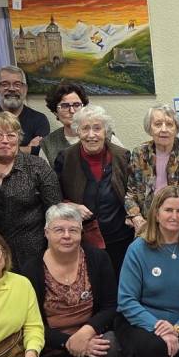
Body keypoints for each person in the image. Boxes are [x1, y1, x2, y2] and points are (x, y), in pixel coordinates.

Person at [116, 186, 179, 357]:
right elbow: (126, 300)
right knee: (157, 348)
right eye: (168, 210)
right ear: (156, 214)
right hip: (141, 323)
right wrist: (158, 327)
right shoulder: (138, 249)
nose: (174, 216)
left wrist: (176, 329)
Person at [21, 204, 122, 357]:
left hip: (92, 336)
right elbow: (31, 322)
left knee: (109, 346)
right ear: (47, 233)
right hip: (51, 343)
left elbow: (110, 306)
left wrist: (86, 332)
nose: (67, 236)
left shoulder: (99, 258)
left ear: (81, 233)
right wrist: (67, 342)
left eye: (73, 230)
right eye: (59, 230)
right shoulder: (31, 269)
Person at [0, 111, 62, 271]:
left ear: (19, 138)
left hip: (34, 253)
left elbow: (54, 211)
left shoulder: (38, 167)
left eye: (11, 135)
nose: (5, 141)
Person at [59, 105, 137, 272]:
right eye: (85, 128)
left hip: (121, 237)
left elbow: (133, 191)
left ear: (105, 132)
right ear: (77, 131)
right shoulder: (65, 158)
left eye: (97, 128)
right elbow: (53, 196)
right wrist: (71, 206)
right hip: (82, 239)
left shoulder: (123, 156)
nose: (91, 135)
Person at [128, 102, 179, 226]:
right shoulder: (139, 153)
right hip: (147, 222)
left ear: (176, 128)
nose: (163, 129)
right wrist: (136, 217)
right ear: (149, 128)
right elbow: (131, 192)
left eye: (169, 124)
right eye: (157, 124)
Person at [40, 80, 122, 168]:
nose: (71, 111)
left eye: (76, 105)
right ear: (55, 112)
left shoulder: (105, 136)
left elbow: (124, 167)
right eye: (64, 106)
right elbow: (45, 179)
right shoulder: (48, 144)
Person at [0, 65, 49, 156]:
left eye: (17, 85)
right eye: (5, 84)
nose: (12, 89)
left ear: (25, 89)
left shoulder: (39, 119)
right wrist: (28, 149)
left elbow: (40, 153)